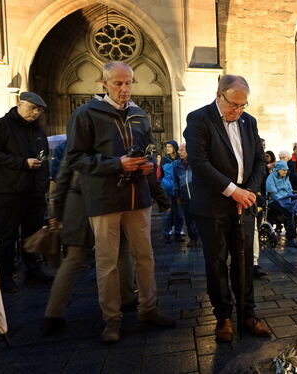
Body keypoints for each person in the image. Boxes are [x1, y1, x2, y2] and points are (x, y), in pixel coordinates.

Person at [66, 61, 175, 343]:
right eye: (118, 83)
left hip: (138, 197)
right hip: (105, 200)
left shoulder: (140, 115)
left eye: (129, 83)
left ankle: (148, 308)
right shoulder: (86, 114)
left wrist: (149, 164)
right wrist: (117, 164)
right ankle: (112, 319)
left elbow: (150, 150)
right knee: (107, 263)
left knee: (146, 257)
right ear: (104, 83)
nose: (125, 89)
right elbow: (76, 158)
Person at [183, 74, 270, 342]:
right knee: (217, 262)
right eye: (234, 104)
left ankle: (247, 313)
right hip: (213, 205)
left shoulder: (249, 121)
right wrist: (234, 191)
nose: (238, 110)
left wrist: (250, 192)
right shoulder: (199, 119)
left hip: (244, 203)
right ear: (219, 95)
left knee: (244, 262)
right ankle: (223, 317)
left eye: (243, 105)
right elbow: (200, 163)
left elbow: (258, 160)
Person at [0, 92, 53, 294]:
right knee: (7, 236)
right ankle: (5, 278)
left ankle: (34, 272)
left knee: (33, 234)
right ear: (20, 104)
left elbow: (44, 158)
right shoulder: (3, 125)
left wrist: (43, 186)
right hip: (9, 191)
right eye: (32, 108)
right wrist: (22, 162)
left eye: (39, 110)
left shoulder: (38, 130)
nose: (36, 113)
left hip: (34, 192)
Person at [265, 160, 297, 248]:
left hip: (286, 199)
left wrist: (290, 198)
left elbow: (289, 190)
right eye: (283, 170)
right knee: (289, 212)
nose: (285, 171)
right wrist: (285, 199)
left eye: (286, 170)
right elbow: (273, 193)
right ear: (277, 170)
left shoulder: (286, 178)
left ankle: (291, 233)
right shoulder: (271, 177)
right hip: (274, 200)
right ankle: (291, 238)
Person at [172, 143, 199, 248]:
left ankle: (201, 237)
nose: (179, 152)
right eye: (179, 150)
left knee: (199, 218)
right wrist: (177, 195)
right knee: (188, 219)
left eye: (182, 150)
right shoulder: (177, 165)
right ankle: (192, 238)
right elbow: (175, 181)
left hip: (197, 196)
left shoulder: (196, 163)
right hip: (184, 197)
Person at [160, 140, 185, 243]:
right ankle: (167, 234)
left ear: (174, 148)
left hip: (178, 189)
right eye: (167, 147)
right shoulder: (164, 160)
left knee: (179, 213)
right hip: (167, 189)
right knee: (168, 213)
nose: (168, 149)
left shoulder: (180, 159)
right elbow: (161, 174)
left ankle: (178, 233)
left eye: (170, 147)